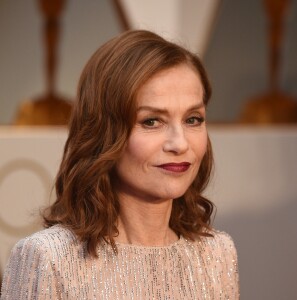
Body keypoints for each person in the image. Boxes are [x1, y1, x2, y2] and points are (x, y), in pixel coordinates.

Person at [1, 30, 239, 299]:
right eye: (152, 121)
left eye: (193, 119)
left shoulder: (216, 254)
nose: (180, 143)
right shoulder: (48, 259)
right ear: (104, 133)